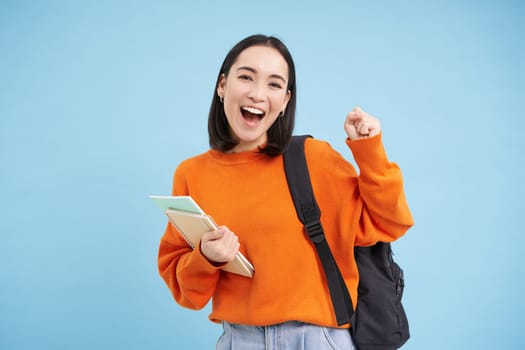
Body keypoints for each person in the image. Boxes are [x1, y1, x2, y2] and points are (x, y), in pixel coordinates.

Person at [157, 34, 414, 349]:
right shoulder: (191, 174)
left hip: (317, 339)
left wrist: (370, 152)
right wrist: (206, 258)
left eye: (274, 84)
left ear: (285, 101)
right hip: (239, 340)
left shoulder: (313, 159)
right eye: (246, 77)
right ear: (222, 85)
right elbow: (188, 293)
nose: (257, 93)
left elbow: (390, 223)